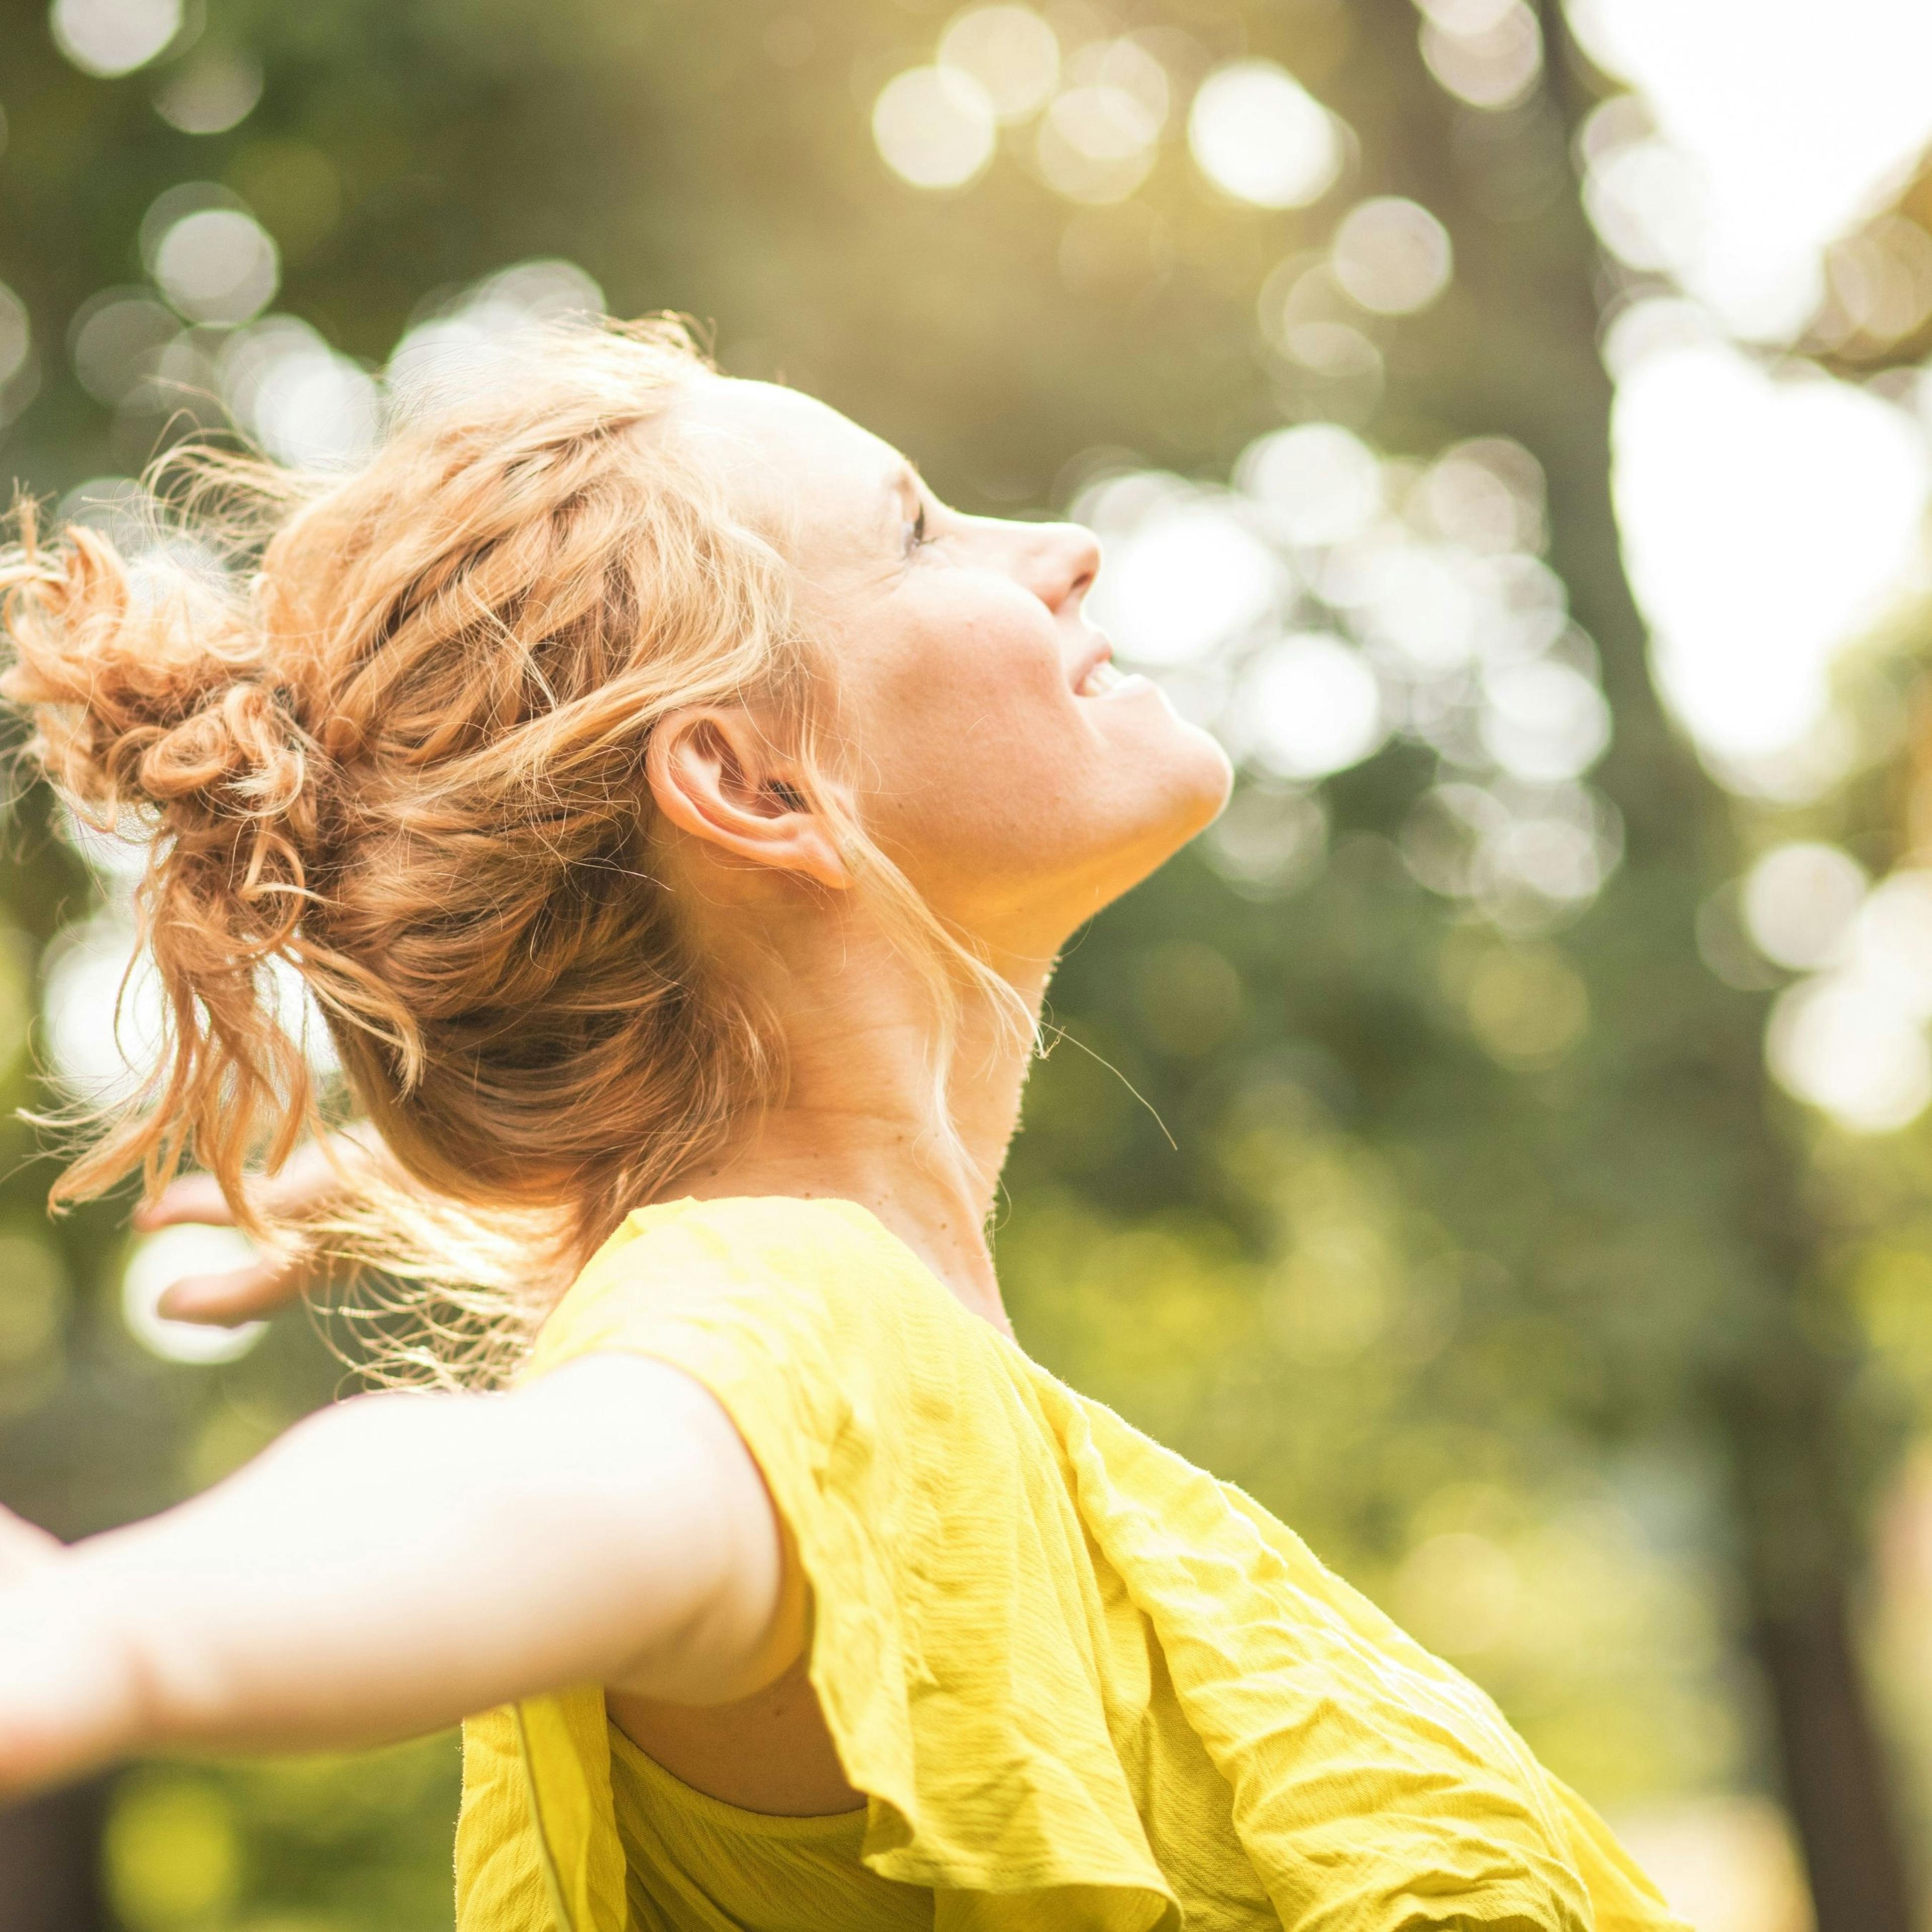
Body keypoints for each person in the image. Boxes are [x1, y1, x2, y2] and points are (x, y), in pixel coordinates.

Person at [0, 318, 1686, 1931]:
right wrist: (107, 1631)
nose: (1065, 544)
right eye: (919, 532)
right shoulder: (804, 1327)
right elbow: (547, 1486)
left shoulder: (852, 1350)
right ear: (752, 787)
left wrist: (398, 1186)